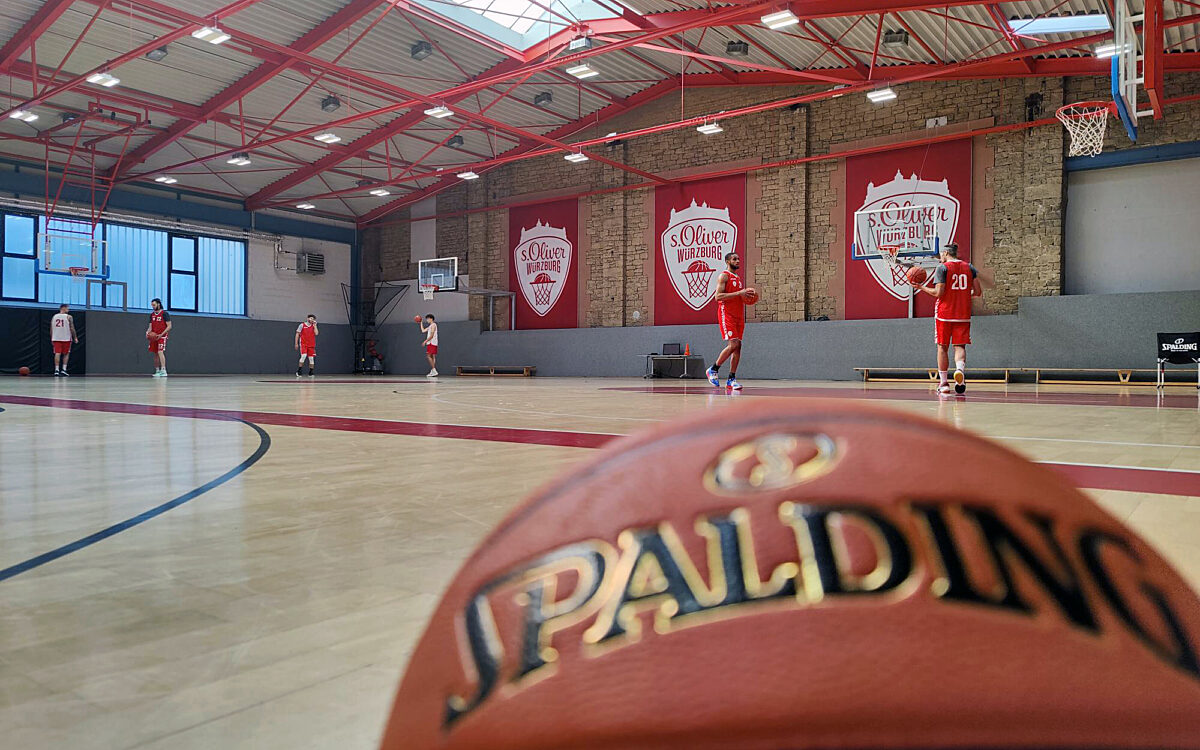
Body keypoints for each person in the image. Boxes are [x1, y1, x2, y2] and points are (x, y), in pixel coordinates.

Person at [915, 242, 981, 395]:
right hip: (963, 314)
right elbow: (977, 291)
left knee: (942, 347)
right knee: (960, 346)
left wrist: (922, 287)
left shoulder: (942, 268)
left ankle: (944, 383)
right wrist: (962, 295)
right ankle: (959, 370)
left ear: (945, 253)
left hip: (945, 314)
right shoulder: (970, 267)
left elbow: (938, 293)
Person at [705, 252, 754, 391]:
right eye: (734, 259)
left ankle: (731, 379)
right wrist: (739, 293)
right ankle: (713, 369)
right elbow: (718, 296)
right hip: (727, 314)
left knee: (738, 346)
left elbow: (738, 296)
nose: (738, 261)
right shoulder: (724, 275)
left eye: (738, 258)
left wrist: (748, 297)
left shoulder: (737, 278)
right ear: (727, 261)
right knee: (733, 344)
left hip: (738, 315)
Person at [50, 303, 78, 377]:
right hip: (66, 337)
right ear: (63, 308)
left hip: (56, 337)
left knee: (57, 353)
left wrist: (52, 337)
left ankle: (56, 370)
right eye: (67, 308)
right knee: (66, 353)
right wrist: (75, 337)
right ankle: (64, 370)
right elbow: (72, 328)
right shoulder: (69, 317)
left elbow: (51, 328)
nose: (68, 310)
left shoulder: (54, 316)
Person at [146, 297, 172, 377]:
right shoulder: (152, 315)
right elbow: (150, 326)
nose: (153, 306)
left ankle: (163, 370)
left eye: (154, 305)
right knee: (155, 353)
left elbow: (169, 326)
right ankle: (157, 370)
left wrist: (161, 334)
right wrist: (147, 332)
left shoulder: (165, 314)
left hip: (162, 336)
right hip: (154, 336)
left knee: (160, 351)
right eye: (152, 305)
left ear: (158, 304)